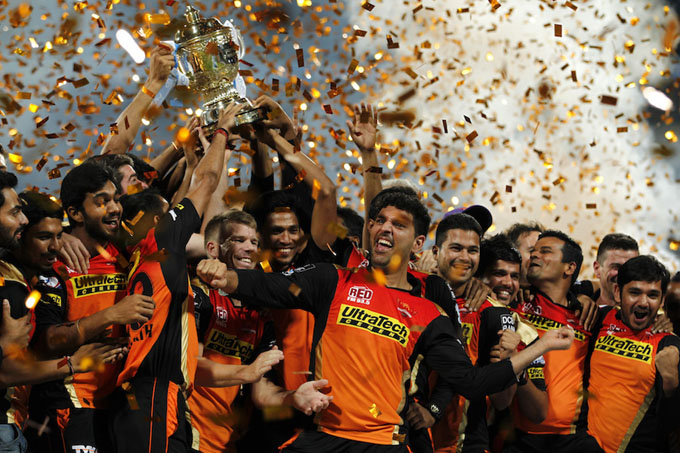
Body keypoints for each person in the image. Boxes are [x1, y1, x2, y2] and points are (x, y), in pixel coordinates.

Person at [196, 188, 576, 452]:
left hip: (383, 444)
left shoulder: (428, 312)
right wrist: (225, 277)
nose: (385, 228)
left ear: (417, 243)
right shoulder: (332, 280)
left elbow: (472, 383)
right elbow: (267, 286)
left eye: (399, 223)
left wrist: (539, 346)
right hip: (323, 438)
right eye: (378, 220)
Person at [111, 104, 240, 453]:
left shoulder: (140, 256)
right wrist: (222, 133)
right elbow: (206, 184)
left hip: (144, 396)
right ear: (158, 222)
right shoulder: (164, 238)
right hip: (155, 396)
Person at [26, 164, 147, 452]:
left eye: (116, 198)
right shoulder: (51, 267)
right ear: (76, 212)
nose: (115, 208)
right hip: (71, 400)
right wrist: (111, 315)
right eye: (102, 201)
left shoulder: (129, 253)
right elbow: (45, 342)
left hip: (123, 407)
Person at [188, 210, 331, 453]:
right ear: (213, 249)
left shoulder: (261, 315)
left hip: (227, 444)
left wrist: (293, 397)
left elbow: (261, 393)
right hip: (187, 435)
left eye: (254, 242)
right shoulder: (198, 297)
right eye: (239, 240)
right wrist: (247, 371)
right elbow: (189, 367)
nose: (250, 248)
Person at [0, 181, 123, 452]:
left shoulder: (20, 276)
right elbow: (6, 372)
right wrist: (71, 364)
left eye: (58, 236)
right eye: (44, 237)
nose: (56, 246)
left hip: (19, 421)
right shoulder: (11, 290)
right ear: (22, 235)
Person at [424, 215, 540, 453]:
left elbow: (502, 402)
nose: (464, 257)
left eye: (472, 250)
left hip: (465, 443)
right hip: (404, 434)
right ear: (436, 251)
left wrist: (510, 361)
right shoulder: (411, 290)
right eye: (456, 248)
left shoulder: (495, 314)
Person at [508, 230, 594, 452]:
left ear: (569, 267)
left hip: (570, 440)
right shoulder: (516, 303)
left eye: (545, 251)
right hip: (518, 438)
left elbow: (602, 285)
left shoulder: (587, 316)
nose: (534, 256)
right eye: (533, 251)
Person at [585, 255, 678, 452]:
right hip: (583, 446)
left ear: (662, 300)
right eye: (635, 293)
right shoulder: (598, 318)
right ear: (618, 292)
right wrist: (581, 295)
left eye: (652, 295)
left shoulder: (670, 344)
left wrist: (672, 385)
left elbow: (673, 426)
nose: (643, 302)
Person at [591, 233, 639, 307]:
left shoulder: (650, 316)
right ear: (597, 269)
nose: (624, 274)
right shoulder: (575, 306)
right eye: (617, 267)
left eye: (631, 268)